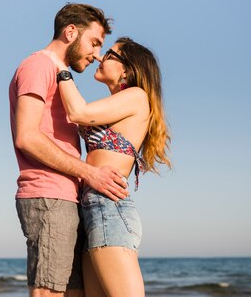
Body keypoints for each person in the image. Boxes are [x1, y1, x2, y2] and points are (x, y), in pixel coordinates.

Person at [9, 3, 129, 297]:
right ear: (71, 32)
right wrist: (91, 173)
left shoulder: (59, 74)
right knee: (49, 292)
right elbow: (27, 136)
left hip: (66, 198)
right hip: (48, 197)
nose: (97, 54)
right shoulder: (38, 66)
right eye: (95, 42)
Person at [42, 37, 172, 297]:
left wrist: (59, 65)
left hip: (109, 208)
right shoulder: (117, 105)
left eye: (110, 54)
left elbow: (78, 112)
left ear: (127, 69)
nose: (101, 57)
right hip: (92, 210)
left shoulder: (136, 96)